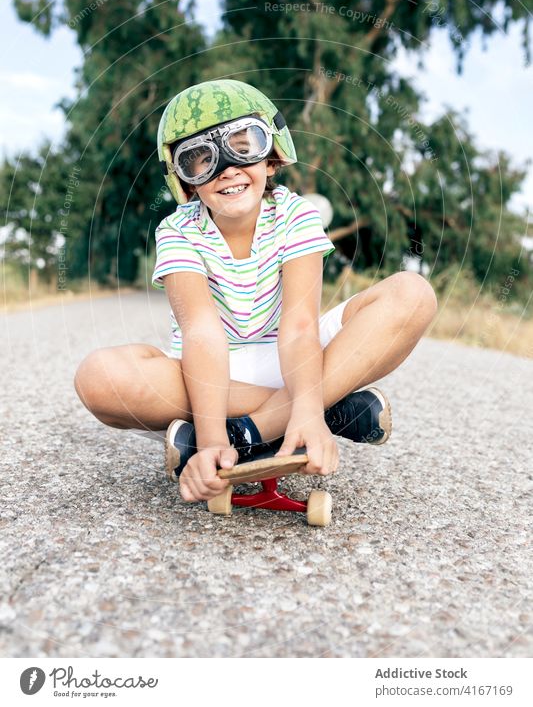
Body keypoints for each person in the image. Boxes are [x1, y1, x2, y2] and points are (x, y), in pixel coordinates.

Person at [74, 79, 437, 504]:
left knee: (413, 294)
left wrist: (295, 408)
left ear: (271, 157)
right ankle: (331, 409)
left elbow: (300, 327)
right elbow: (202, 334)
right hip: (211, 376)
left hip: (294, 355)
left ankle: (251, 432)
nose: (227, 168)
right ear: (185, 181)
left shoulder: (296, 214)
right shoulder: (177, 231)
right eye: (200, 160)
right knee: (97, 378)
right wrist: (210, 438)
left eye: (244, 146)